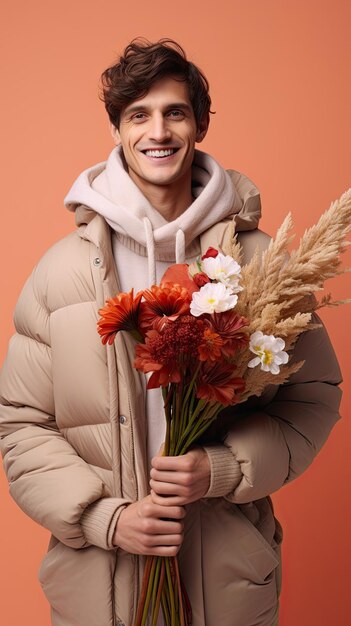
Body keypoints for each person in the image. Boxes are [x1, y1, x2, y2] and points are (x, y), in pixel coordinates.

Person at [0, 39, 342, 626]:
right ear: (117, 130)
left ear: (199, 124)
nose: (157, 130)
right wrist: (103, 518)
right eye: (139, 114)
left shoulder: (260, 264)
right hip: (97, 591)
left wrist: (224, 468)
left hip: (229, 584)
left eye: (175, 112)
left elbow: (314, 399)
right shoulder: (61, 272)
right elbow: (21, 423)